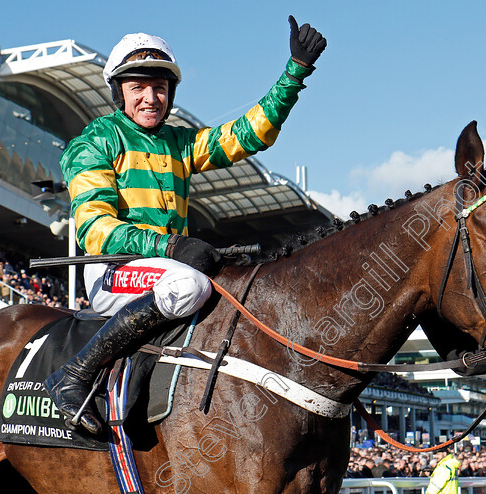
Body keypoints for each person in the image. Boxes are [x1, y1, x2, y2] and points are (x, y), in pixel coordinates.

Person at [44, 16, 326, 435]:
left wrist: (295, 72)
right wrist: (171, 247)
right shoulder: (95, 142)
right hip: (112, 268)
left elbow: (248, 135)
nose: (150, 98)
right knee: (188, 287)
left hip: (159, 268)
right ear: (118, 93)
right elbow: (95, 228)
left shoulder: (178, 142)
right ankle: (75, 374)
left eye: (159, 88)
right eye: (138, 87)